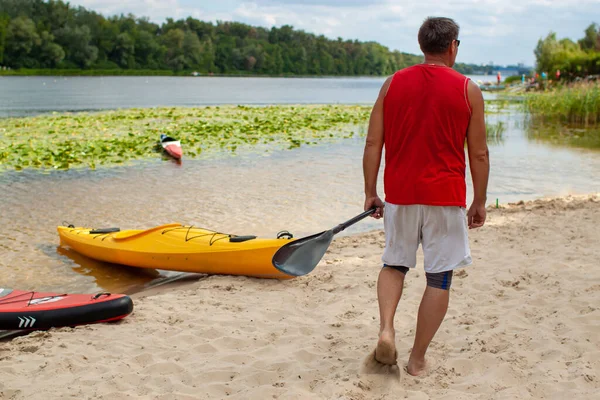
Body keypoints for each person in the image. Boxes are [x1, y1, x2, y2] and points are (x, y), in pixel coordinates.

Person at [362, 16, 489, 376]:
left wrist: (371, 192)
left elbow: (374, 143)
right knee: (439, 278)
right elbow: (478, 154)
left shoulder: (392, 84)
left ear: (422, 46)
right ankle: (417, 360)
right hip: (445, 197)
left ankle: (387, 328)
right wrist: (479, 200)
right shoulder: (468, 89)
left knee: (394, 263)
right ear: (452, 47)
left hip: (401, 194)